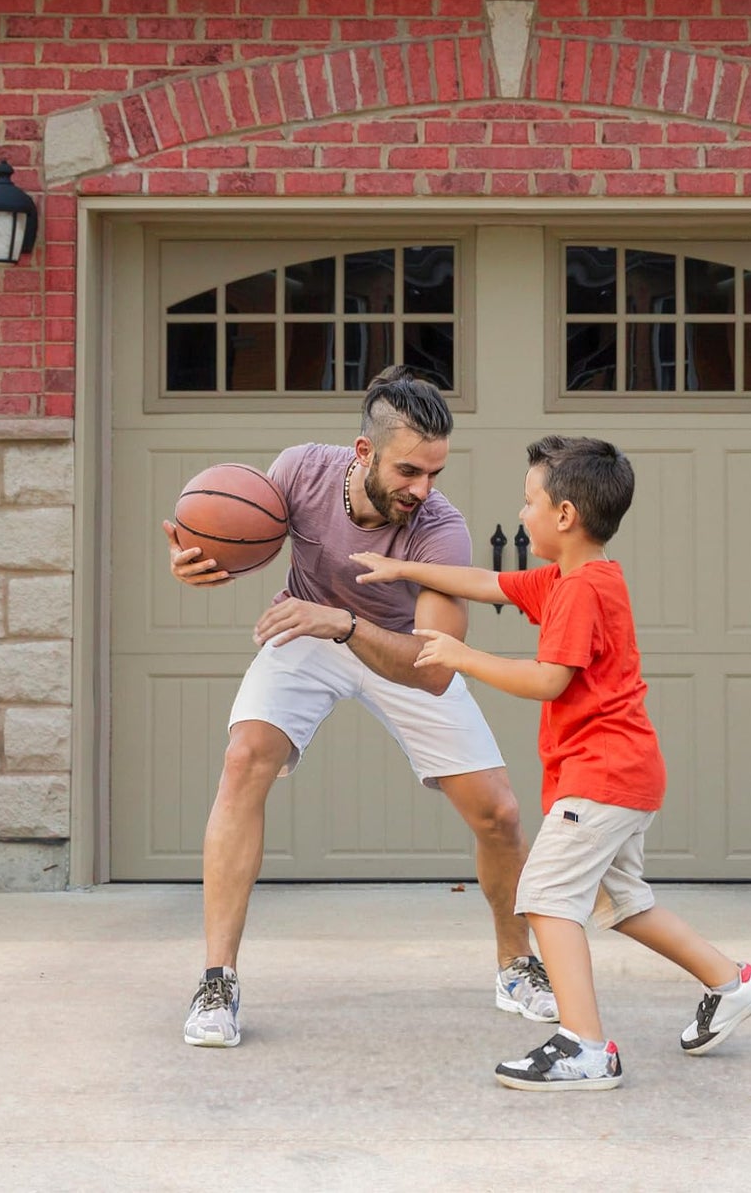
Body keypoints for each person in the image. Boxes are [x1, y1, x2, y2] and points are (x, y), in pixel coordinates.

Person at [351, 434, 751, 1091]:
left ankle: (585, 1046)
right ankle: (731, 979)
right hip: (626, 772)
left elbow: (550, 680)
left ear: (565, 515)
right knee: (623, 901)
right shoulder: (579, 577)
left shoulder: (579, 593)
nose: (521, 515)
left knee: (544, 896)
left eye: (528, 503)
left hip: (600, 774)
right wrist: (405, 570)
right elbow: (488, 581)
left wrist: (460, 657)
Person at [162, 366, 556, 1048]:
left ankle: (516, 963)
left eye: (433, 472)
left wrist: (341, 623)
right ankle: (217, 978)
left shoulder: (440, 530)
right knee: (243, 758)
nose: (421, 489)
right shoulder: (297, 471)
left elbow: (434, 670)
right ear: (363, 452)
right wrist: (195, 562)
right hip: (305, 630)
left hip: (394, 647)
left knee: (500, 813)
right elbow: (232, 538)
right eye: (408, 470)